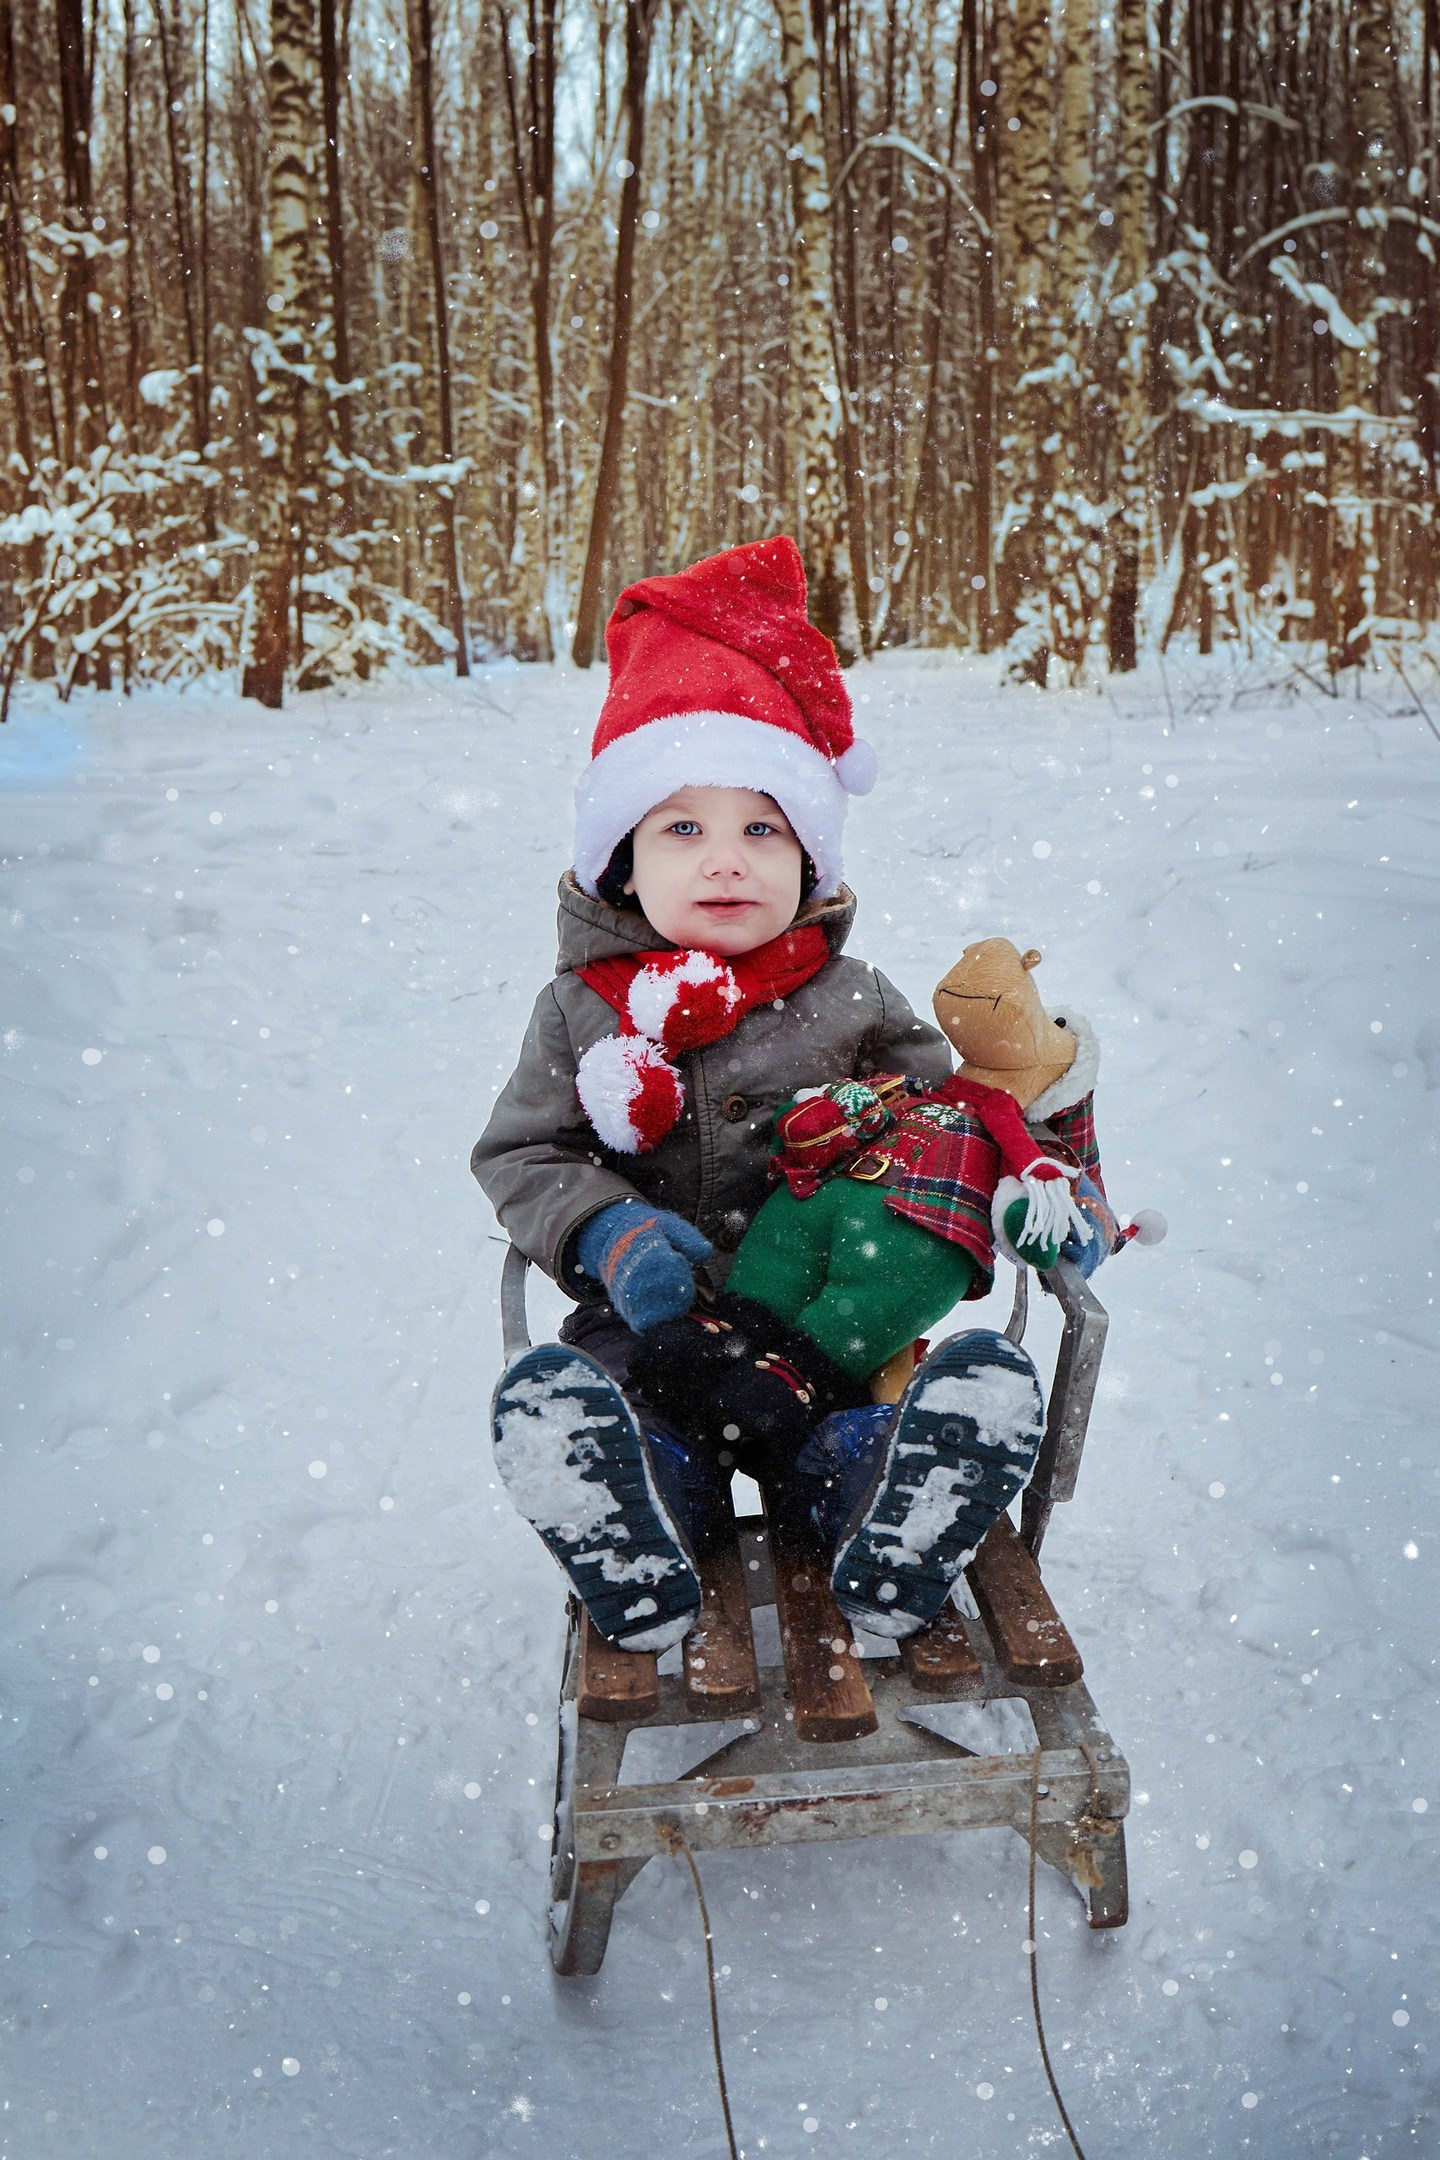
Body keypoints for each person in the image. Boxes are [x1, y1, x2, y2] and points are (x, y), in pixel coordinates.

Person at [473, 537, 1045, 1653]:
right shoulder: (582, 1009)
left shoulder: (854, 999)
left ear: (809, 858)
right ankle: (640, 1529)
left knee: (855, 1427)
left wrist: (1027, 1119)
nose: (726, 860)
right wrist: (608, 1230)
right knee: (631, 1417)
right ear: (624, 861)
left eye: (763, 828)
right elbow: (520, 1157)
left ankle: (890, 1518)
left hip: (824, 1327)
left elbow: (951, 1122)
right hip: (653, 1327)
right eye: (683, 827)